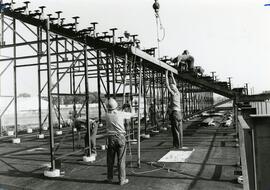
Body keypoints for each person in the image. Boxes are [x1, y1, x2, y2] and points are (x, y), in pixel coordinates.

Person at [105, 98, 136, 185]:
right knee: (121, 160)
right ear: (116, 106)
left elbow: (114, 113)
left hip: (110, 138)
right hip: (120, 137)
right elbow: (133, 114)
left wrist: (121, 109)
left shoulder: (107, 115)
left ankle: (109, 178)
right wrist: (130, 105)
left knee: (110, 160)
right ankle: (122, 180)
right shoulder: (121, 114)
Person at [165, 71, 183, 149]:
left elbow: (167, 85)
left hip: (175, 113)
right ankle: (180, 145)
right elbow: (174, 84)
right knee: (180, 130)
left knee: (175, 130)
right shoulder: (178, 93)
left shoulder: (173, 94)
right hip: (179, 113)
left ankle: (177, 146)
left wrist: (166, 75)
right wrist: (172, 76)